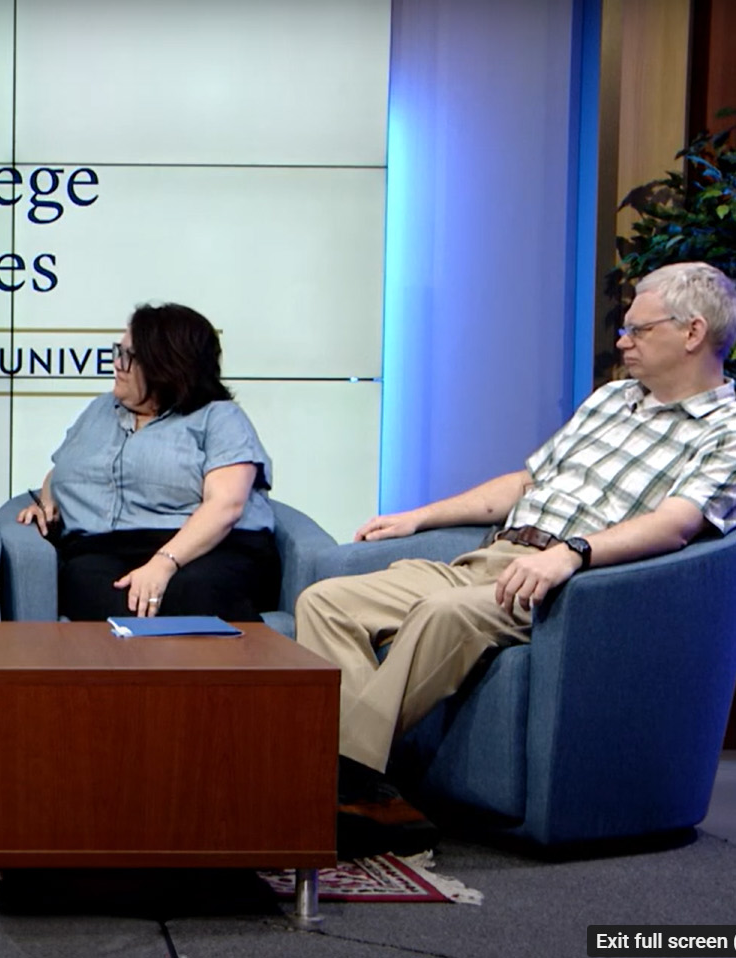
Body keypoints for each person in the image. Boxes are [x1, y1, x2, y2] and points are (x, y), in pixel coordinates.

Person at [296, 261, 736, 856]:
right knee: (326, 601)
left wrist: (572, 555)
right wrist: (421, 516)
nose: (621, 340)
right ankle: (366, 791)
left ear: (692, 333)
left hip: (570, 589)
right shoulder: (611, 399)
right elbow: (526, 484)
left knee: (443, 614)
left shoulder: (726, 428)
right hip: (493, 556)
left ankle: (320, 784)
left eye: (638, 329)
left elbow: (677, 525)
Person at [17, 303, 279, 622]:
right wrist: (47, 500)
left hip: (206, 549)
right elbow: (69, 468)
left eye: (128, 355)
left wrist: (164, 563)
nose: (116, 363)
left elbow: (226, 504)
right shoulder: (100, 409)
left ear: (166, 365)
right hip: (105, 548)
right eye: (118, 351)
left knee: (193, 591)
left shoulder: (218, 417)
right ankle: (131, 670)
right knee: (85, 583)